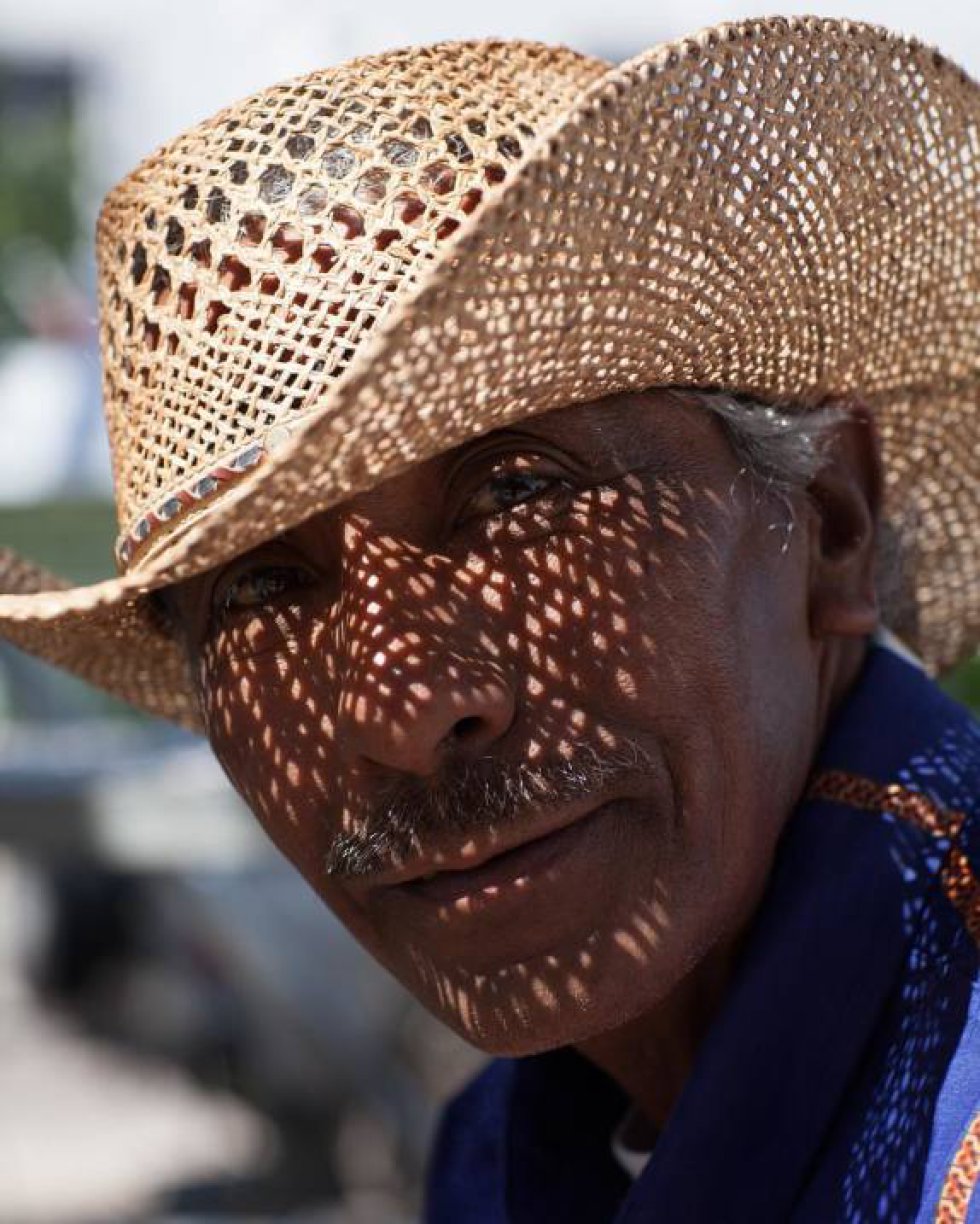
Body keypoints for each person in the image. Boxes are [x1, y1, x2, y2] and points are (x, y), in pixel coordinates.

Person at [1, 15, 978, 1221]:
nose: (401, 711)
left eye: (520, 492)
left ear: (829, 523)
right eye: (256, 584)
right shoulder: (499, 1155)